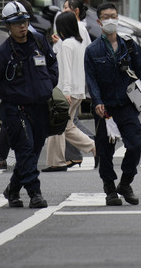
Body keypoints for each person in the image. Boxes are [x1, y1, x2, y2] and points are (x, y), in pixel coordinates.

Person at [0, 1, 58, 208]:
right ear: (7, 26)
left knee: (33, 152)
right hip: (15, 109)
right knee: (25, 150)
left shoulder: (39, 42)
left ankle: (13, 189)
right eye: (17, 23)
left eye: (24, 21)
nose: (22, 26)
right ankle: (35, 193)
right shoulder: (3, 53)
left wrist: (49, 83)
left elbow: (53, 64)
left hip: (40, 107)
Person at [85, 2, 141, 206]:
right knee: (105, 150)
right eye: (106, 17)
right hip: (105, 108)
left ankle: (125, 182)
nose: (110, 20)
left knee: (136, 143)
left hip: (126, 104)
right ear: (99, 22)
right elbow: (91, 80)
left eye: (113, 16)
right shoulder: (92, 50)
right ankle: (109, 188)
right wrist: (97, 102)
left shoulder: (129, 44)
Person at [42, 12, 97, 172]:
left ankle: (58, 161)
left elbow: (65, 69)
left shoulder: (67, 45)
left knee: (57, 126)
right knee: (65, 126)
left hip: (66, 91)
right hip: (78, 90)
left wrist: (64, 91)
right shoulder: (79, 44)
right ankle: (93, 148)